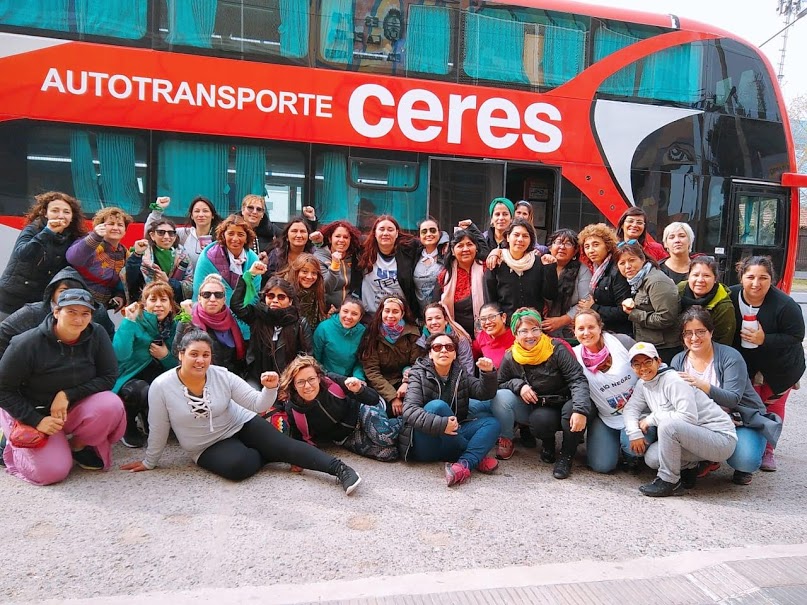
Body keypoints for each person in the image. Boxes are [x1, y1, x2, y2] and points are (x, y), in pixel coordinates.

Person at [121, 331, 361, 494]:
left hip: (240, 422)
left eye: (205, 355)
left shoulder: (221, 375)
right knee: (239, 467)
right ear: (181, 355)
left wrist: (270, 388)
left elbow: (257, 405)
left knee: (287, 446)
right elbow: (159, 425)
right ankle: (270, 452)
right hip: (205, 445)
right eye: (193, 354)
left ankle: (340, 470)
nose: (200, 360)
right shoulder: (162, 386)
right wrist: (150, 461)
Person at [0, 289, 124, 485]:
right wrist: (36, 420)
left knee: (111, 404)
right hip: (34, 411)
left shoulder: (97, 334)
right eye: (71, 312)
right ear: (56, 312)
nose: (79, 319)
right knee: (52, 473)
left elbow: (109, 376)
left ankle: (77, 446)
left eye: (85, 313)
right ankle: (8, 442)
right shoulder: (26, 344)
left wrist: (67, 394)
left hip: (71, 407)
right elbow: (3, 389)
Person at [671, 306, 783, 485]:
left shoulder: (730, 357)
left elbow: (732, 399)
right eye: (688, 333)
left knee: (745, 459)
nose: (694, 338)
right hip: (703, 420)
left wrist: (700, 384)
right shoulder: (678, 360)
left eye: (700, 331)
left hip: (740, 419)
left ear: (711, 332)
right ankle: (708, 456)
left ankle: (743, 458)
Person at [623, 342, 737, 497]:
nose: (643, 368)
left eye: (648, 362)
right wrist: (634, 432)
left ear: (658, 361)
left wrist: (651, 419)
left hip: (720, 439)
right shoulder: (643, 383)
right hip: (694, 438)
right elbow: (631, 408)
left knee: (668, 425)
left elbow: (687, 417)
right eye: (637, 364)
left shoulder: (673, 380)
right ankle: (689, 468)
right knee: (653, 458)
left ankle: (669, 481)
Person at [729, 256, 805, 472]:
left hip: (781, 366)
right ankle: (746, 445)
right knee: (749, 406)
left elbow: (797, 335)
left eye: (763, 277)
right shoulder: (731, 295)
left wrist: (765, 340)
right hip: (747, 365)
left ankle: (768, 450)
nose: (756, 283)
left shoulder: (785, 304)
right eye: (750, 277)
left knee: (773, 406)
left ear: (771, 279)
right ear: (741, 277)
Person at [496, 308, 591, 479]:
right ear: (515, 334)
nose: (530, 335)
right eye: (523, 331)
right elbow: (500, 382)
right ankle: (548, 444)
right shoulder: (511, 356)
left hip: (567, 399)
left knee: (572, 413)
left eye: (535, 329)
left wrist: (580, 409)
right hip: (542, 404)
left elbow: (577, 379)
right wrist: (519, 385)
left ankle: (566, 455)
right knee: (539, 421)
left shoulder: (557, 348)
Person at [399, 331, 500, 486]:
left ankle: (463, 465)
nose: (444, 350)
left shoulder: (460, 373)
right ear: (430, 354)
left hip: (451, 437)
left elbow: (483, 393)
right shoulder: (418, 374)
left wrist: (488, 373)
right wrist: (442, 424)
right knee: (437, 406)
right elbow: (409, 411)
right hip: (425, 444)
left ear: (454, 354)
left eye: (449, 347)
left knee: (492, 423)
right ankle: (475, 456)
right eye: (438, 347)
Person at [280, 355, 401, 461]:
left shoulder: (331, 382)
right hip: (346, 437)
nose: (307, 386)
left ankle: (405, 421)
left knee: (385, 437)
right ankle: (403, 437)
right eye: (300, 382)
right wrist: (296, 461)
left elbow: (373, 399)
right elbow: (297, 438)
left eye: (311, 379)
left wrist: (359, 390)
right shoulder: (293, 409)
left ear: (318, 377)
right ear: (294, 385)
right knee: (389, 453)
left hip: (361, 410)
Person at [572, 310, 642, 474]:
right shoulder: (573, 356)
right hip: (607, 417)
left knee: (631, 446)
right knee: (601, 466)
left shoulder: (622, 342)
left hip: (639, 412)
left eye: (591, 327)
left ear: (600, 327)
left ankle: (632, 455)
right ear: (574, 332)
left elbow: (650, 364)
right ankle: (614, 446)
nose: (586, 332)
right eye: (580, 328)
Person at [113, 282, 180, 449]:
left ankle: (150, 416)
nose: (158, 304)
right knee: (141, 390)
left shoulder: (175, 326)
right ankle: (128, 422)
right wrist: (128, 322)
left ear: (171, 305)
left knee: (169, 388)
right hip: (130, 375)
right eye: (153, 300)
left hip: (158, 372)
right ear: (145, 304)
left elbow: (177, 366)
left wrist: (165, 356)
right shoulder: (135, 321)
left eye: (163, 300)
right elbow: (120, 355)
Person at [0, 191, 86, 320]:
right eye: (55, 211)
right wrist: (48, 232)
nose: (61, 215)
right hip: (12, 298)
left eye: (66, 212)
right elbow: (23, 254)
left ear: (72, 216)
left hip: (39, 301)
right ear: (45, 213)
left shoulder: (74, 238)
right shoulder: (33, 229)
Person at [0, 267, 114, 359]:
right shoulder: (32, 312)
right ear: (52, 293)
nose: (68, 296)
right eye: (63, 291)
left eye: (85, 314)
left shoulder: (97, 313)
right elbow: (3, 334)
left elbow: (109, 338)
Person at [231, 271, 312, 384]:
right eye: (270, 296)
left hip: (287, 380)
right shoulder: (257, 316)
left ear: (290, 301)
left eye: (281, 297)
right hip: (257, 377)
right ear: (265, 298)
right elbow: (236, 305)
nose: (275, 300)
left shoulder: (300, 324)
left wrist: (288, 383)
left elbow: (307, 357)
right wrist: (249, 275)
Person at [192, 214, 261, 338]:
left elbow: (254, 296)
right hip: (212, 322)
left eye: (240, 234)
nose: (235, 239)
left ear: (247, 238)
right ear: (223, 235)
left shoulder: (253, 259)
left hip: (246, 321)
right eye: (230, 233)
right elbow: (200, 291)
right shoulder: (207, 257)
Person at [614, 241, 681, 364]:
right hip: (649, 345)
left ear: (642, 259)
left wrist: (633, 313)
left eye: (632, 260)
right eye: (622, 263)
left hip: (664, 348)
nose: (627, 266)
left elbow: (666, 318)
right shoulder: (637, 281)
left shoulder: (656, 281)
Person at [360, 295, 422, 417]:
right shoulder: (372, 335)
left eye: (395, 311)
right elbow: (372, 371)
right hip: (383, 385)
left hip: (407, 382)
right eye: (387, 311)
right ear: (381, 312)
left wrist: (407, 382)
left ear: (402, 314)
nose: (390, 315)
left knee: (413, 410)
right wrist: (393, 397)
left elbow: (417, 363)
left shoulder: (413, 333)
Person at [484, 219, 558, 320]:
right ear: (508, 237)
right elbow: (490, 300)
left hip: (533, 325)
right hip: (505, 327)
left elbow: (550, 295)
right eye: (516, 235)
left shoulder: (539, 262)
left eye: (525, 236)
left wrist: (550, 268)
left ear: (531, 240)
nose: (520, 239)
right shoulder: (496, 262)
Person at [174, 274, 246, 375]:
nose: (212, 299)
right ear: (199, 298)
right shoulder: (189, 318)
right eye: (206, 295)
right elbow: (177, 352)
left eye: (218, 295)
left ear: (224, 299)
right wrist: (187, 320)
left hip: (230, 377)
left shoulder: (230, 319)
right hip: (202, 376)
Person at [66, 206, 132, 310]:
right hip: (77, 302)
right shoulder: (90, 241)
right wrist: (96, 236)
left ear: (125, 231)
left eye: (120, 225)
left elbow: (122, 283)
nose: (115, 228)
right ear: (100, 226)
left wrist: (120, 296)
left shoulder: (124, 253)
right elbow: (73, 258)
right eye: (111, 224)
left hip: (101, 308)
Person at [355, 215, 420, 316]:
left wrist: (445, 245)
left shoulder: (409, 250)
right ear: (375, 233)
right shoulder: (363, 250)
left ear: (397, 233)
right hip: (369, 316)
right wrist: (320, 242)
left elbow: (430, 240)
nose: (385, 233)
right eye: (381, 229)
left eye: (390, 230)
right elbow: (340, 238)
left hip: (399, 316)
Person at [577, 223, 632, 335]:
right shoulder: (594, 268)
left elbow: (624, 312)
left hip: (619, 333)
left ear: (607, 245)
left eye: (596, 244)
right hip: (603, 330)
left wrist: (593, 307)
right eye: (587, 247)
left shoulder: (617, 270)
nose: (591, 250)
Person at [145, 196, 223, 271]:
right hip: (187, 283)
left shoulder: (221, 237)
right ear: (192, 216)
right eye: (197, 211)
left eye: (205, 211)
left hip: (211, 283)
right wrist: (157, 211)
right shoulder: (184, 234)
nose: (201, 215)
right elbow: (150, 232)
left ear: (212, 215)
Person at [541, 229, 591, 341]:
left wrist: (562, 320)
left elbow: (585, 303)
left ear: (575, 251)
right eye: (558, 242)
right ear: (550, 247)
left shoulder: (582, 271)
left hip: (570, 329)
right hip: (538, 325)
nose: (562, 247)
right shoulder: (540, 264)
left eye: (568, 244)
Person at [126, 218, 193, 303]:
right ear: (152, 236)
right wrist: (137, 254)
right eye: (161, 233)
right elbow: (131, 280)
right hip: (146, 304)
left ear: (175, 237)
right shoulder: (143, 254)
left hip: (174, 306)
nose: (166, 237)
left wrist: (168, 282)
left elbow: (190, 287)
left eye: (171, 233)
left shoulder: (183, 256)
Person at [439, 229, 486, 337]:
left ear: (476, 248)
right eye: (460, 246)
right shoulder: (445, 275)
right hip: (455, 334)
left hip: (487, 331)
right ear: (453, 251)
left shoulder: (486, 269)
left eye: (469, 244)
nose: (465, 249)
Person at [677, 256, 735, 346]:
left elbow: (724, 341)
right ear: (688, 277)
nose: (700, 280)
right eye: (695, 275)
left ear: (715, 279)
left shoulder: (724, 307)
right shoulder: (678, 291)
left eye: (706, 276)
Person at [313, 297, 366, 380]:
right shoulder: (324, 328)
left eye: (354, 314)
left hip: (351, 379)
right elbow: (315, 358)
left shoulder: (363, 332)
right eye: (345, 311)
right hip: (326, 377)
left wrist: (358, 378)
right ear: (339, 311)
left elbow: (361, 361)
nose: (348, 317)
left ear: (360, 317)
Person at [313, 220, 362, 310]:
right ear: (330, 239)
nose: (341, 240)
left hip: (350, 312)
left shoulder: (355, 257)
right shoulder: (319, 257)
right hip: (327, 311)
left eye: (346, 237)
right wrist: (335, 265)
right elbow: (326, 287)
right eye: (337, 236)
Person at [417, 302, 474, 376]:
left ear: (446, 320)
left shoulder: (460, 340)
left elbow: (468, 368)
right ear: (425, 324)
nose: (434, 322)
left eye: (438, 318)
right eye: (429, 319)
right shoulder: (421, 343)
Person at [281, 252, 327, 330]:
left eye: (314, 273)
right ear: (296, 272)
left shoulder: (318, 292)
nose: (309, 277)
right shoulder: (282, 290)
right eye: (304, 272)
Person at [413, 217, 444, 310]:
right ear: (419, 236)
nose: (429, 234)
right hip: (419, 315)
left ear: (439, 233)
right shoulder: (413, 254)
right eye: (424, 231)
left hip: (441, 315)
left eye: (433, 230)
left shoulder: (447, 254)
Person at [471, 302, 514, 370]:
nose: (487, 322)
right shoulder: (482, 337)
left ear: (503, 317)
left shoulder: (515, 336)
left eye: (492, 317)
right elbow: (471, 354)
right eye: (483, 319)